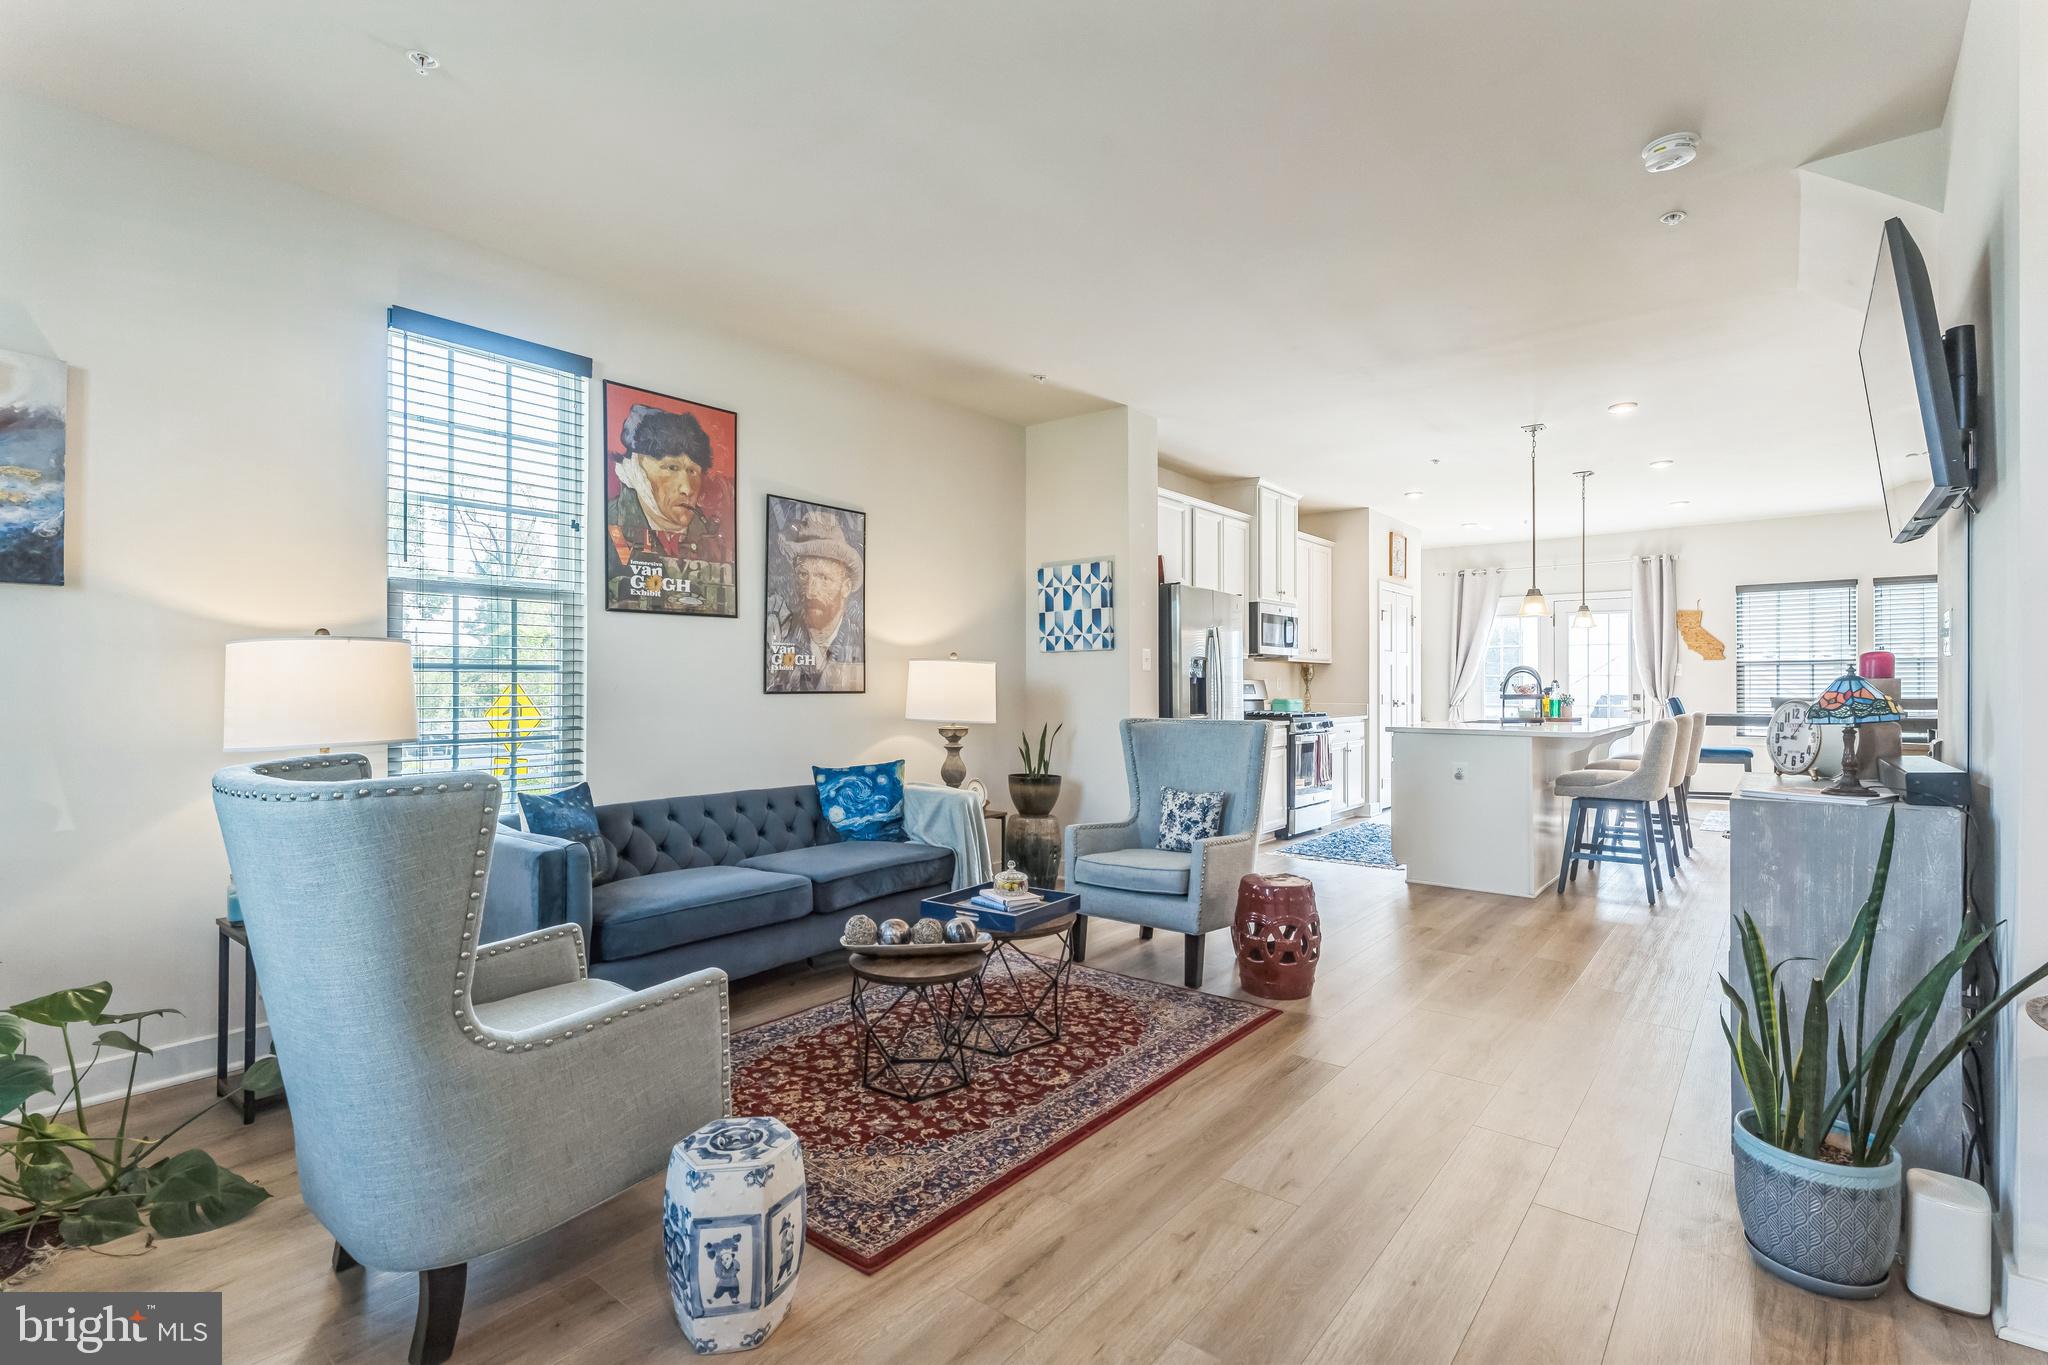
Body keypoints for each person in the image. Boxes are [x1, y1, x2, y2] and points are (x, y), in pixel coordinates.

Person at [606, 403, 732, 612]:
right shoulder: (611, 528)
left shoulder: (715, 538)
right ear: (637, 467)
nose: (687, 488)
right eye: (671, 467)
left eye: (693, 471)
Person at [766, 506, 865, 692]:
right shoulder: (783, 633)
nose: (810, 591)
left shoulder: (857, 636)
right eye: (803, 575)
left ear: (846, 587)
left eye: (823, 578)